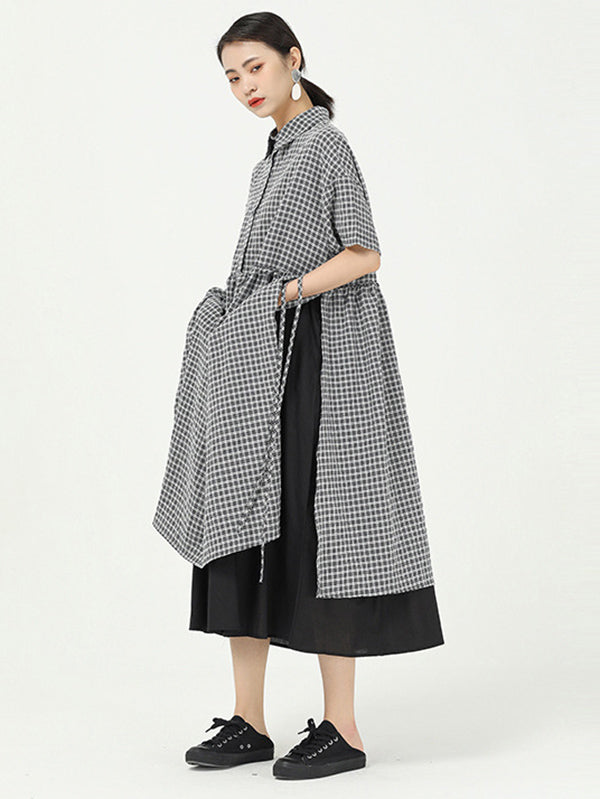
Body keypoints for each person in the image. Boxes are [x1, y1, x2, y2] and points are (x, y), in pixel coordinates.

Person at [152, 12, 444, 781]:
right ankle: (249, 719)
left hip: (321, 350)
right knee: (240, 520)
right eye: (231, 76)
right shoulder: (270, 160)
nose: (244, 86)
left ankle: (342, 726)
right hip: (262, 352)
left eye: (254, 67)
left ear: (294, 58)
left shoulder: (324, 145)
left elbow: (365, 252)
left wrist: (286, 293)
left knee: (324, 524)